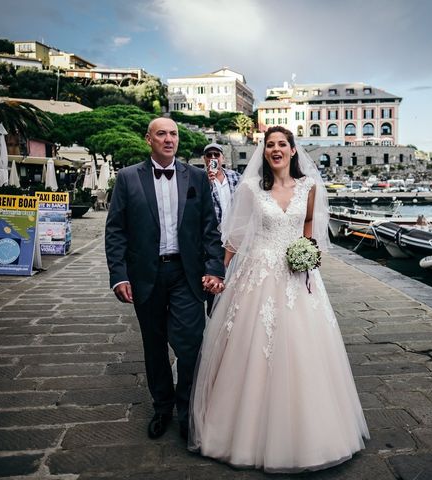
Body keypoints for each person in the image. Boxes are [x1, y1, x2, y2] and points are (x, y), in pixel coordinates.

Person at [189, 126, 369, 472]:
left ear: (292, 149)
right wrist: (218, 273)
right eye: (269, 145)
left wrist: (307, 253)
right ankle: (240, 434)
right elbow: (235, 237)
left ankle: (312, 436)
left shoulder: (309, 188)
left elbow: (310, 229)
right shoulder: (251, 188)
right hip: (257, 276)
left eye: (281, 144)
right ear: (264, 151)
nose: (275, 150)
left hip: (297, 277)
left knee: (305, 351)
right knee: (252, 350)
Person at [105, 117, 225, 441]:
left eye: (173, 134)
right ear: (149, 139)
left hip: (187, 274)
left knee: (191, 344)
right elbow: (115, 230)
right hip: (146, 275)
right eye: (162, 134)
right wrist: (118, 275)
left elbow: (210, 230)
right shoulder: (128, 178)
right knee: (154, 344)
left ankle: (187, 412)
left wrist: (215, 268)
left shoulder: (197, 177)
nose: (169, 139)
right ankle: (162, 407)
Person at [202, 142, 240, 313]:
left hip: (236, 241)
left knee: (236, 285)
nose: (212, 158)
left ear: (222, 158)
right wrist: (207, 185)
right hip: (213, 241)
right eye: (209, 155)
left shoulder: (236, 177)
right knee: (215, 284)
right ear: (204, 159)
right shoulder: (201, 180)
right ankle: (213, 320)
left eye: (216, 155)